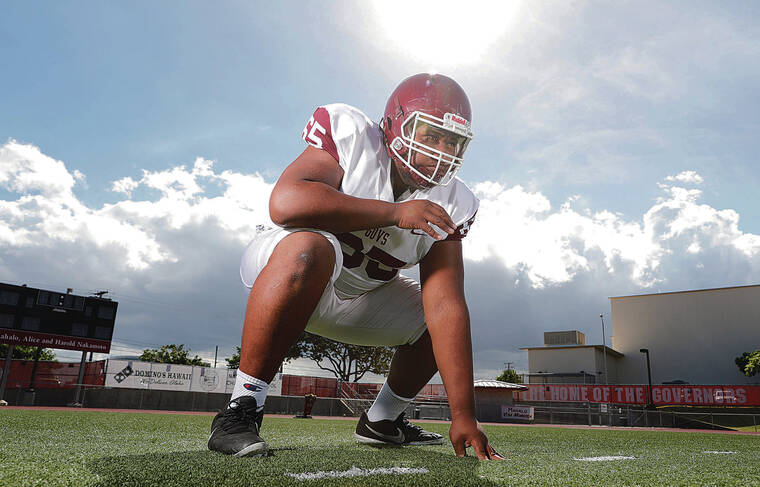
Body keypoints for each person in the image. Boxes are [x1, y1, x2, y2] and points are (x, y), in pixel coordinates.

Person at [208, 73, 502, 460]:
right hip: (287, 271)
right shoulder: (353, 136)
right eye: (430, 135)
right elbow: (286, 202)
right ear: (394, 124)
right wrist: (394, 214)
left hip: (362, 298)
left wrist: (464, 413)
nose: (441, 151)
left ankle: (382, 420)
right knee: (310, 247)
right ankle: (241, 408)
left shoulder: (456, 201)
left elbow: (446, 303)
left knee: (441, 321)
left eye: (452, 141)